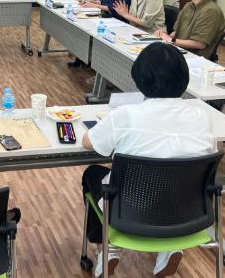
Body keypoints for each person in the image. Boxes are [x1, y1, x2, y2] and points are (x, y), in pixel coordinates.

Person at [81, 43, 216, 277]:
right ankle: (170, 246)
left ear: (140, 80)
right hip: (186, 211)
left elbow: (89, 142)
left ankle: (107, 249)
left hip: (130, 211)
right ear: (184, 79)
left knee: (92, 173)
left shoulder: (126, 115)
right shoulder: (201, 116)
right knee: (172, 179)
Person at [155, 0, 225, 59]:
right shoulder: (189, 6)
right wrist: (164, 35)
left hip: (194, 57)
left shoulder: (211, 11)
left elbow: (200, 44)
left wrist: (171, 40)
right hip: (178, 50)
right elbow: (177, 32)